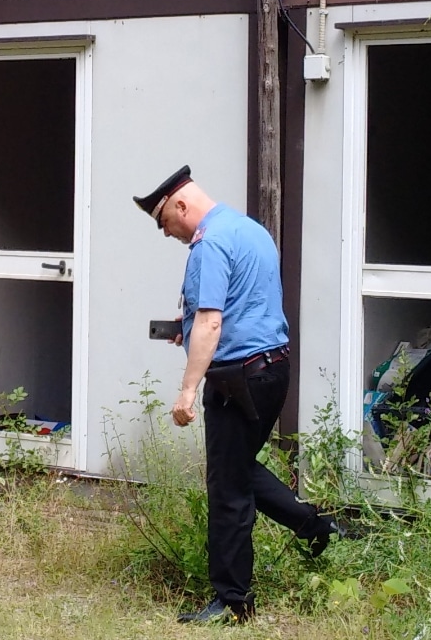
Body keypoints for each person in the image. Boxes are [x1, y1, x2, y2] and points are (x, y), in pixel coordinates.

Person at [133, 165, 341, 624]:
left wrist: (187, 390)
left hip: (236, 379)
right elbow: (242, 302)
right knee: (239, 467)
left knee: (227, 488)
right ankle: (314, 526)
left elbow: (211, 322)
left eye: (166, 223)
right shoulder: (249, 229)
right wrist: (184, 330)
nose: (168, 234)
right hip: (273, 370)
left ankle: (232, 601)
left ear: (181, 205)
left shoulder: (209, 245)